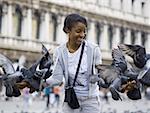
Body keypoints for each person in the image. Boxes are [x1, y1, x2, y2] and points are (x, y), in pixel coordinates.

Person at [46, 13, 102, 113]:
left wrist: (109, 78)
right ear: (68, 30)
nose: (82, 35)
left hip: (91, 100)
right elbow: (57, 79)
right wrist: (39, 82)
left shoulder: (94, 50)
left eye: (84, 31)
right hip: (70, 99)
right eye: (78, 31)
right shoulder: (60, 51)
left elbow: (100, 76)